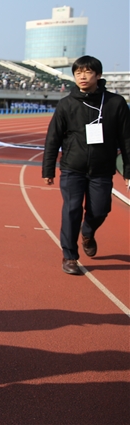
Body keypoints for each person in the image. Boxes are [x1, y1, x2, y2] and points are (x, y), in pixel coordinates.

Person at [42, 56, 130, 275]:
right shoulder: (66, 104)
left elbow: (126, 140)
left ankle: (88, 231)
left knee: (101, 209)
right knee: (71, 210)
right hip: (72, 168)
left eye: (88, 72)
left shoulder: (115, 103)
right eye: (78, 72)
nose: (82, 76)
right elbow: (53, 138)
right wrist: (48, 168)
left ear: (98, 75)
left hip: (102, 169)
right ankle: (69, 256)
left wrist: (128, 170)